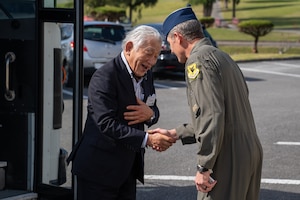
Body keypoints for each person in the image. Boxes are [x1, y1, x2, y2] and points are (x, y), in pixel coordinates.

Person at [151, 7, 263, 200]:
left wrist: (204, 166)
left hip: (228, 155)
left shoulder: (198, 60)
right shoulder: (223, 57)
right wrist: (175, 133)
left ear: (178, 37)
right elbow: (220, 114)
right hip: (249, 152)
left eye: (169, 42)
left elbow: (211, 115)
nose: (170, 48)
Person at [67, 25, 176, 200]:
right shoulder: (104, 77)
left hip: (127, 170)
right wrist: (148, 139)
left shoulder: (147, 75)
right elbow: (105, 123)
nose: (152, 61)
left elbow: (152, 109)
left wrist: (151, 115)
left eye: (156, 56)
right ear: (129, 48)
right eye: (148, 53)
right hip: (98, 170)